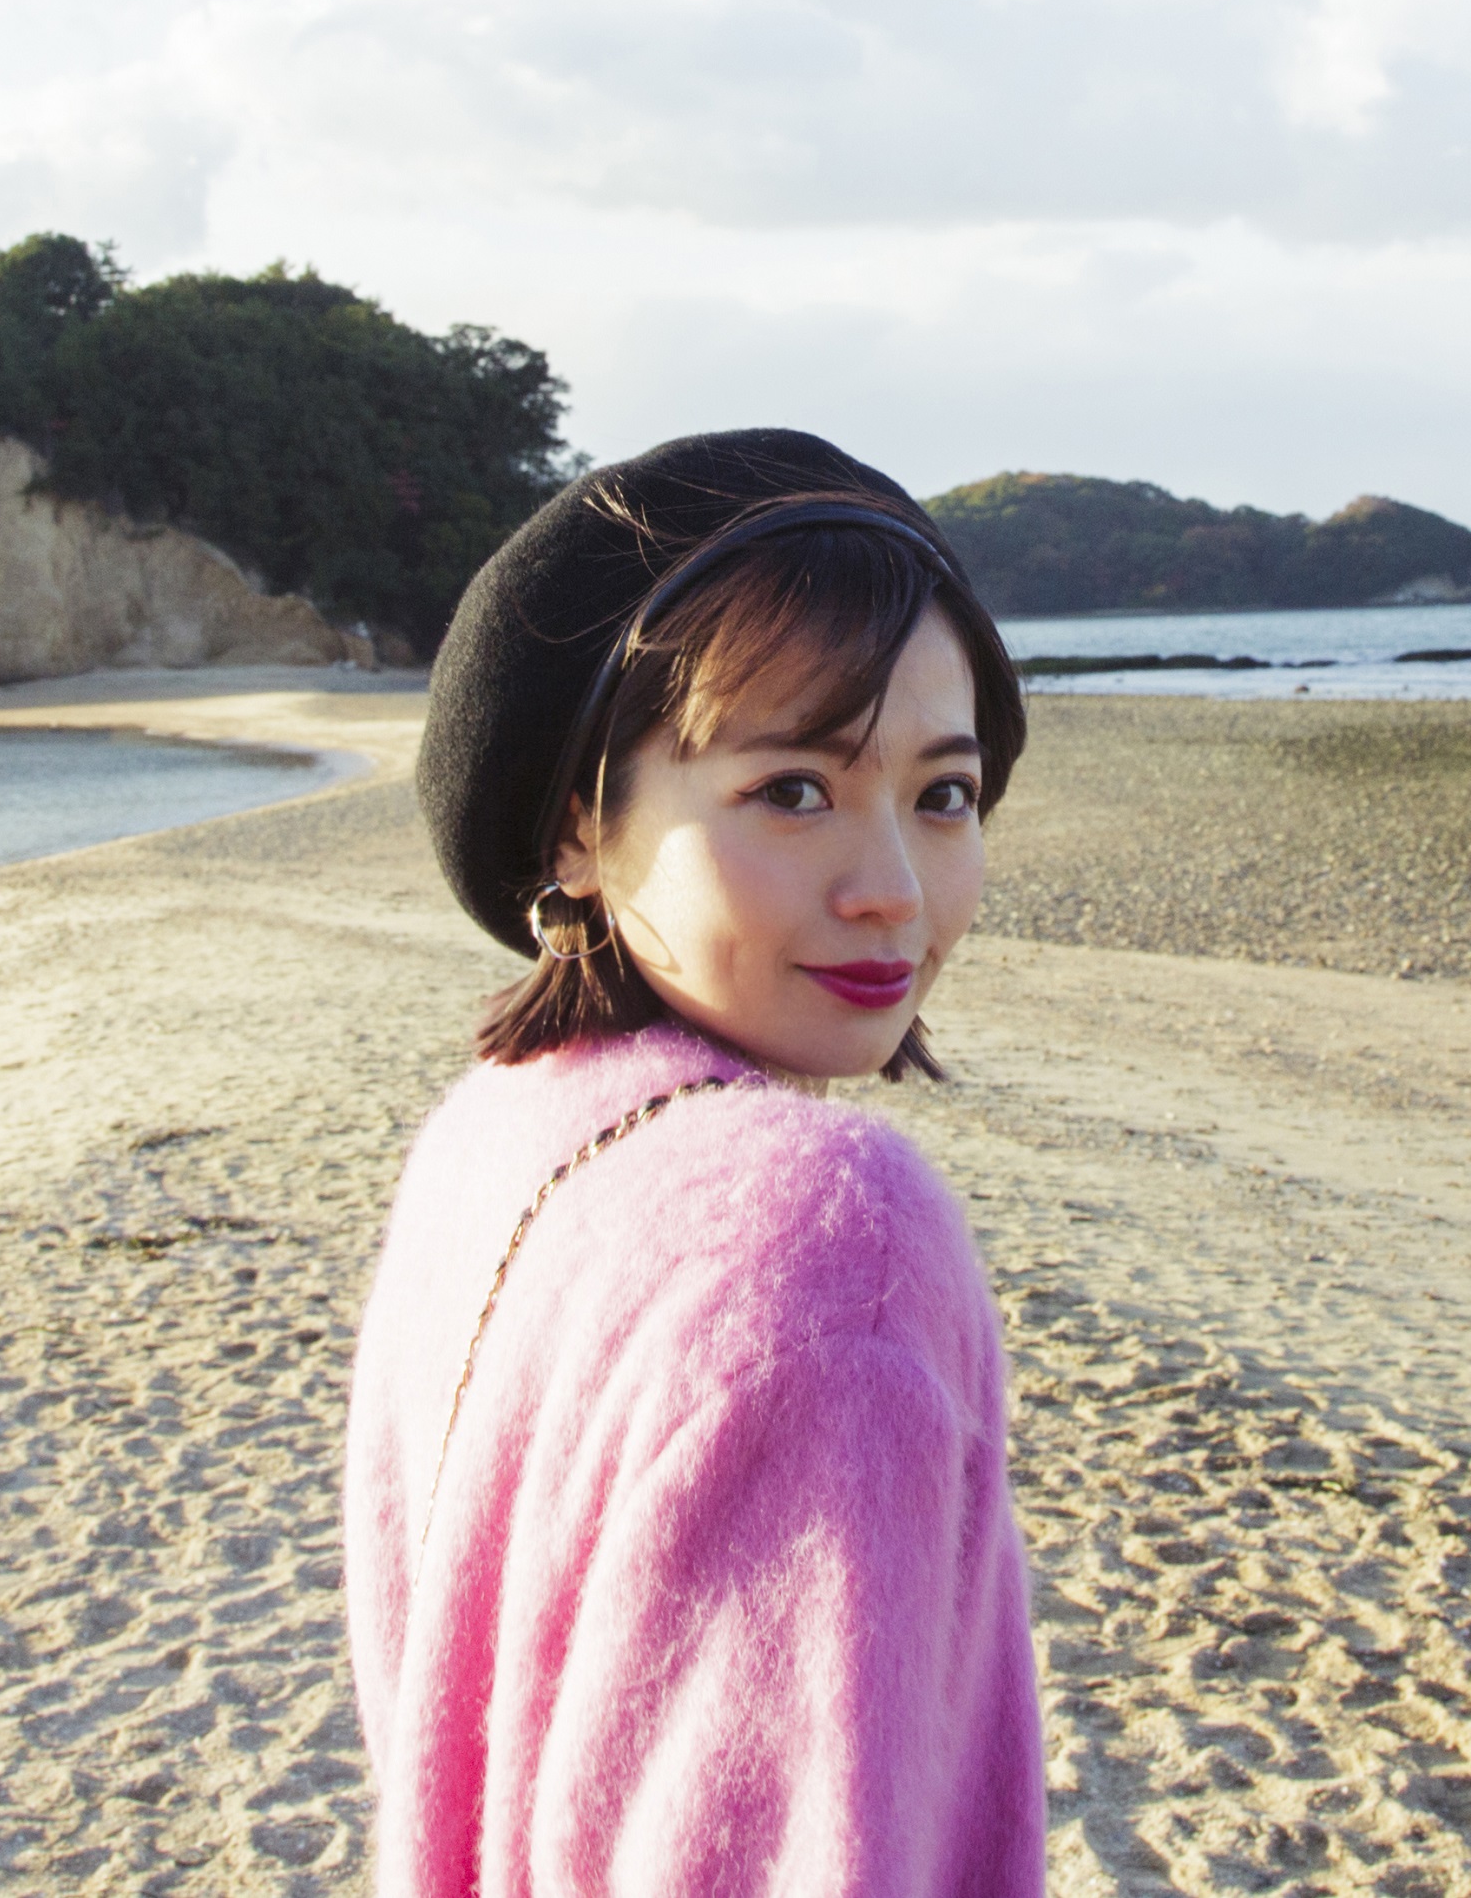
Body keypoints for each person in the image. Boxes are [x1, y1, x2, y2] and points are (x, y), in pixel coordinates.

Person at [343, 428, 1048, 1898]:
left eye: (944, 792)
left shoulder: (500, 1124)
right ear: (579, 825)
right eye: (794, 787)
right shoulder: (826, 1242)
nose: (894, 889)